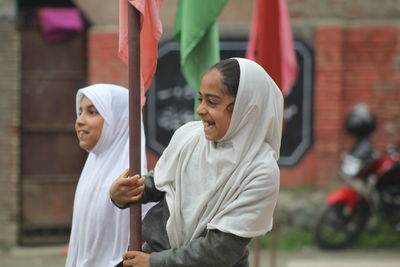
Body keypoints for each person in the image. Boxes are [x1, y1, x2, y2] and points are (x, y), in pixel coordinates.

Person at [110, 58, 283, 267]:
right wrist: (124, 193)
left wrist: (157, 262)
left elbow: (220, 251)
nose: (200, 110)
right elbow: (157, 183)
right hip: (154, 256)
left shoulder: (260, 170)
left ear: (246, 108)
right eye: (200, 99)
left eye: (212, 102)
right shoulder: (189, 137)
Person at [66, 83, 151, 267]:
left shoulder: (133, 178)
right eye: (80, 111)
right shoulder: (93, 166)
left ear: (120, 120)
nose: (79, 120)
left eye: (92, 112)